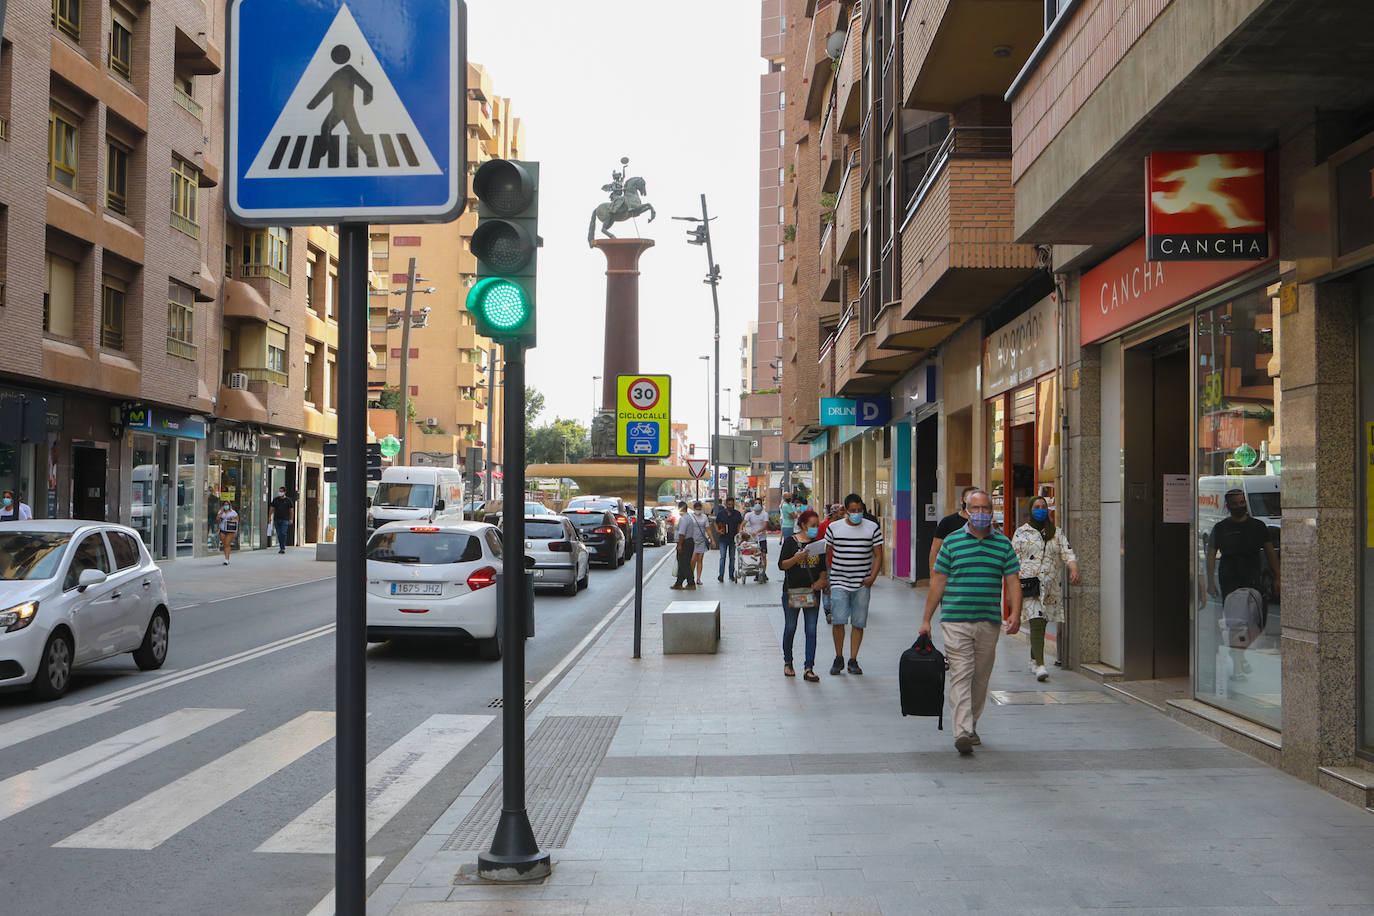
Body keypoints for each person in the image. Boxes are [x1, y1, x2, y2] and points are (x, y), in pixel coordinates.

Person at [920, 489, 1022, 755]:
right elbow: (938, 581)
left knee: (980, 677)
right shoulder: (952, 542)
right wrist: (926, 619)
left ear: (992, 512)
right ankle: (962, 731)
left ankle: (971, 724)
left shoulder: (1002, 544)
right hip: (955, 620)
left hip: (988, 622)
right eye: (975, 509)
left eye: (985, 509)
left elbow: (1012, 580)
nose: (980, 514)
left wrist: (1015, 612)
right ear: (966, 509)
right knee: (961, 674)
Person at [1206, 488, 1280, 679]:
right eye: (1235, 503)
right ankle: (1238, 665)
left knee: (1257, 624)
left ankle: (1239, 652)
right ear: (1228, 506)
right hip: (1230, 580)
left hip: (1254, 578)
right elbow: (1211, 555)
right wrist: (1210, 582)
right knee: (1237, 624)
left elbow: (1270, 551)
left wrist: (1278, 576)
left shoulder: (1258, 526)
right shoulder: (1221, 528)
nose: (1239, 506)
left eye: (1242, 502)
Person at [1011, 495, 1080, 682]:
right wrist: (1012, 582)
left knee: (1041, 622)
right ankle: (1041, 665)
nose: (1040, 509)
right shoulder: (1021, 533)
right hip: (1030, 584)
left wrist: (1073, 569)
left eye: (1043, 506)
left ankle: (1033, 659)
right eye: (1036, 506)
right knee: (1035, 619)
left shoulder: (1056, 533)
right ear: (1031, 510)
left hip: (1050, 586)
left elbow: (1068, 553)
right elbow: (1012, 558)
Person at [824, 493, 883, 676]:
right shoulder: (834, 528)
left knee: (858, 622)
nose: (857, 513)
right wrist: (829, 576)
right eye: (853, 510)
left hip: (862, 583)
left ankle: (853, 660)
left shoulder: (872, 528)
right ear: (846, 511)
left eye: (860, 510)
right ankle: (839, 657)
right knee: (838, 621)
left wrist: (872, 578)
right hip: (840, 580)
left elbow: (879, 555)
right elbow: (827, 553)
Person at [777, 508, 827, 682]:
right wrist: (796, 559)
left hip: (812, 593)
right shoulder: (791, 542)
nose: (815, 528)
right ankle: (788, 662)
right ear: (803, 524)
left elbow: (823, 568)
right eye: (812, 525)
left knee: (811, 629)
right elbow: (782, 565)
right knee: (790, 627)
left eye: (817, 525)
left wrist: (822, 580)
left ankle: (809, 667)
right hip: (793, 592)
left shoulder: (818, 544)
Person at [929, 486, 978, 574]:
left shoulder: (982, 524)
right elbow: (935, 550)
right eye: (968, 499)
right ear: (961, 500)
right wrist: (934, 575)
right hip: (952, 575)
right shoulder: (948, 522)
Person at [671, 500, 705, 590]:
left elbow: (682, 533)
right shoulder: (689, 518)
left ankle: (691, 582)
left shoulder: (683, 519)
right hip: (690, 542)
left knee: (684, 563)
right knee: (682, 563)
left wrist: (680, 545)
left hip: (685, 542)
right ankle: (679, 583)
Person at [714, 496, 744, 582]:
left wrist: (739, 534)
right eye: (729, 504)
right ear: (726, 504)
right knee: (722, 557)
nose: (730, 506)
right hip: (723, 539)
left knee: (732, 557)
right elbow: (716, 523)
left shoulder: (737, 514)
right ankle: (721, 575)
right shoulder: (721, 513)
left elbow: (739, 525)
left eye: (732, 504)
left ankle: (731, 575)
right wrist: (718, 530)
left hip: (733, 539)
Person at [268, 486, 294, 554]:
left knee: (283, 533)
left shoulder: (288, 500)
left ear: (285, 492)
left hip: (285, 519)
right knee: (279, 534)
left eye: (281, 491)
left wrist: (291, 519)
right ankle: (281, 546)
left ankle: (283, 548)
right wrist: (269, 517)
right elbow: (272, 508)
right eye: (280, 491)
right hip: (277, 519)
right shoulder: (275, 500)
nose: (280, 492)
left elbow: (291, 510)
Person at [215, 500, 239, 566]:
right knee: (225, 544)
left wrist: (233, 518)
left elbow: (237, 520)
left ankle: (227, 559)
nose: (226, 506)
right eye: (224, 505)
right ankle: (226, 557)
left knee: (227, 544)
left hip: (230, 530)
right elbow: (217, 518)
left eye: (227, 504)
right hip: (222, 529)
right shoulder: (221, 512)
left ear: (229, 505)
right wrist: (222, 512)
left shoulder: (233, 512)